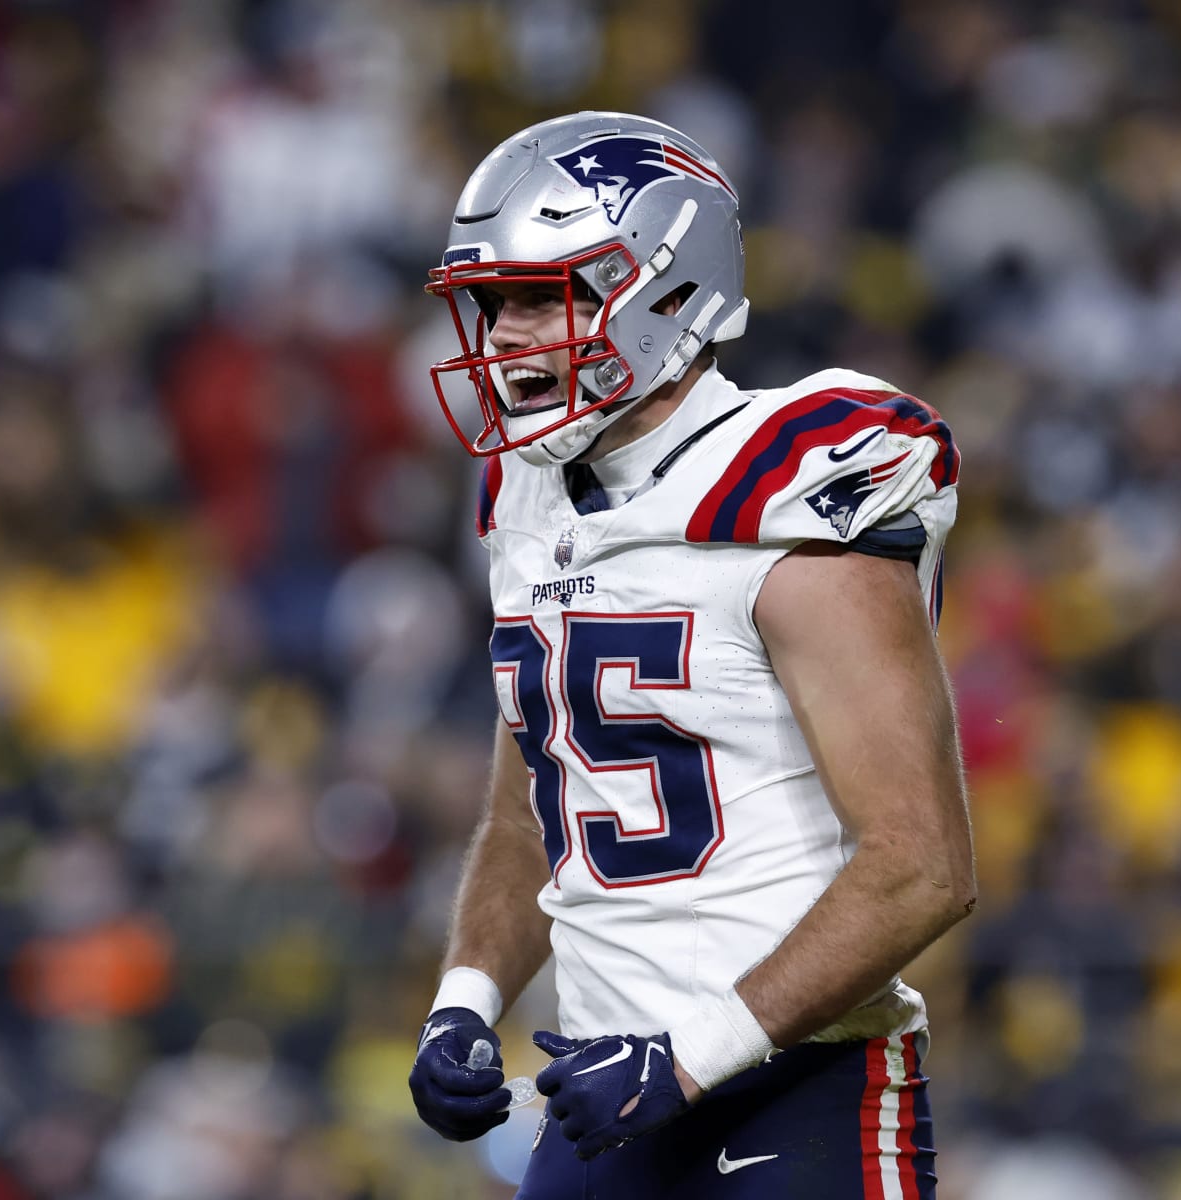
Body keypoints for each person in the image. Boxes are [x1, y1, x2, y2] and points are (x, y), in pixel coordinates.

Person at [408, 112, 974, 1198]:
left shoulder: (791, 490)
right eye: (493, 302)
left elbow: (922, 866)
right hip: (600, 1096)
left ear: (665, 291)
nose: (507, 335)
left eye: (543, 296)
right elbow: (535, 811)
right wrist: (465, 1001)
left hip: (797, 1094)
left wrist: (688, 1057)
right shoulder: (526, 495)